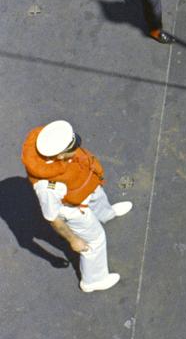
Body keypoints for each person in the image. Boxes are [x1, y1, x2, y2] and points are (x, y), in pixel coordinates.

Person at [21, 119, 133, 293]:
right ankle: (93, 280)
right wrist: (74, 240)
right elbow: (53, 218)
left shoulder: (53, 144)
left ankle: (107, 214)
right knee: (94, 240)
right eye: (71, 148)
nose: (77, 148)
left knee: (98, 198)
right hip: (73, 209)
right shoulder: (48, 188)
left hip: (83, 187)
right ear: (59, 156)